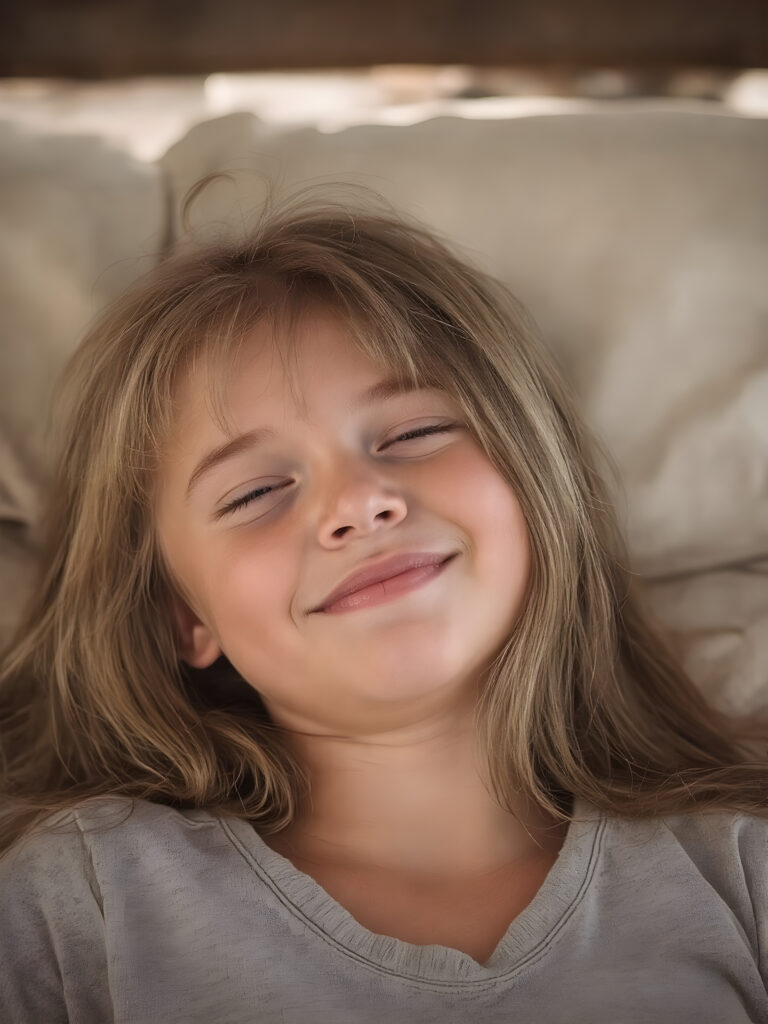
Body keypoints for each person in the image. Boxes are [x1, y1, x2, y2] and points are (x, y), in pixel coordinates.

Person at [0, 189, 766, 1024]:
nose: (359, 503)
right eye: (256, 492)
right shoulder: (79, 905)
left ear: (537, 481)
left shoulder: (737, 867)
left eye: (411, 434)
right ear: (183, 620)